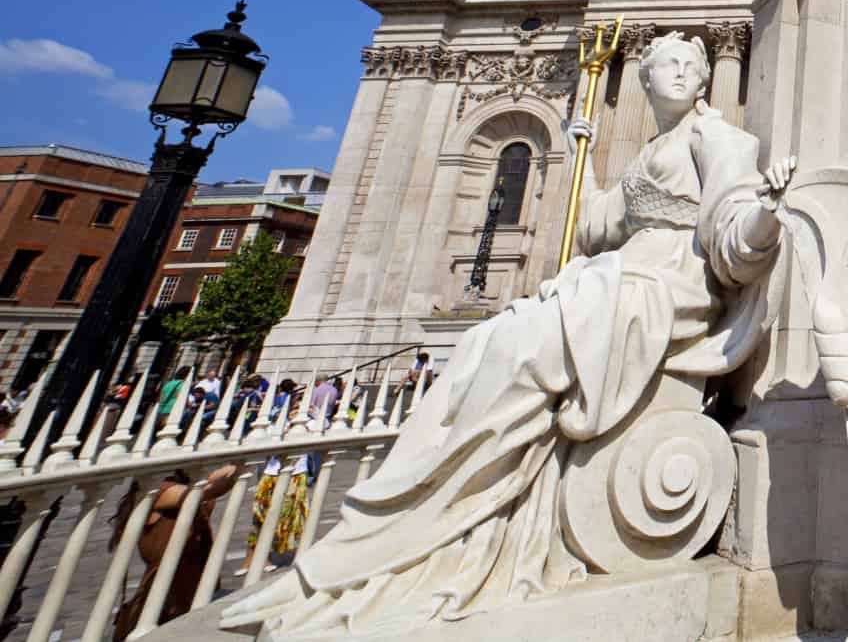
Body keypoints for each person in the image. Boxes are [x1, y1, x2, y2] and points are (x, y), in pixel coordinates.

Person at [223, 31, 798, 635]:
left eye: (691, 65)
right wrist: (580, 158)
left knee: (519, 349)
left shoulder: (722, 139)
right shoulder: (650, 149)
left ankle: (411, 527)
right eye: (667, 65)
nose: (680, 73)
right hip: (617, 276)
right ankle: (400, 534)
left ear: (707, 79)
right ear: (645, 79)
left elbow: (731, 230)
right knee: (482, 345)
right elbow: (597, 228)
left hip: (662, 288)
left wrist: (766, 212)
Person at [112, 464, 240, 639]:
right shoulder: (158, 490)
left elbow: (211, 487)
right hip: (167, 595)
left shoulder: (187, 482)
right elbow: (205, 492)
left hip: (191, 583)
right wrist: (233, 468)